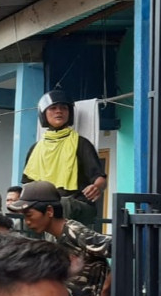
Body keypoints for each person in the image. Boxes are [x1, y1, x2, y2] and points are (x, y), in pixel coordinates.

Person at [21, 90, 108, 225]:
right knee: (21, 220)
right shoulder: (35, 149)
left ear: (70, 113)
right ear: (43, 114)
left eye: (63, 108)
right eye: (53, 108)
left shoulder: (81, 144)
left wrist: (97, 187)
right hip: (46, 206)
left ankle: (55, 245)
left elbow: (100, 178)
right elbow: (27, 185)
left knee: (61, 204)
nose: (59, 111)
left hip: (78, 205)